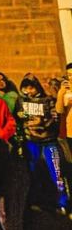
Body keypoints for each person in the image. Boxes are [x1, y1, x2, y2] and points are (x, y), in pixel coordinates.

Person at [21, 74, 67, 213]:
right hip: (31, 142)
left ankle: (63, 202)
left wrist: (41, 123)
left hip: (49, 141)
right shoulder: (23, 101)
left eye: (31, 88)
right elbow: (21, 118)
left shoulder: (48, 101)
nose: (28, 91)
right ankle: (39, 200)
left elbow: (55, 119)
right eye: (25, 88)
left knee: (56, 172)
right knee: (33, 171)